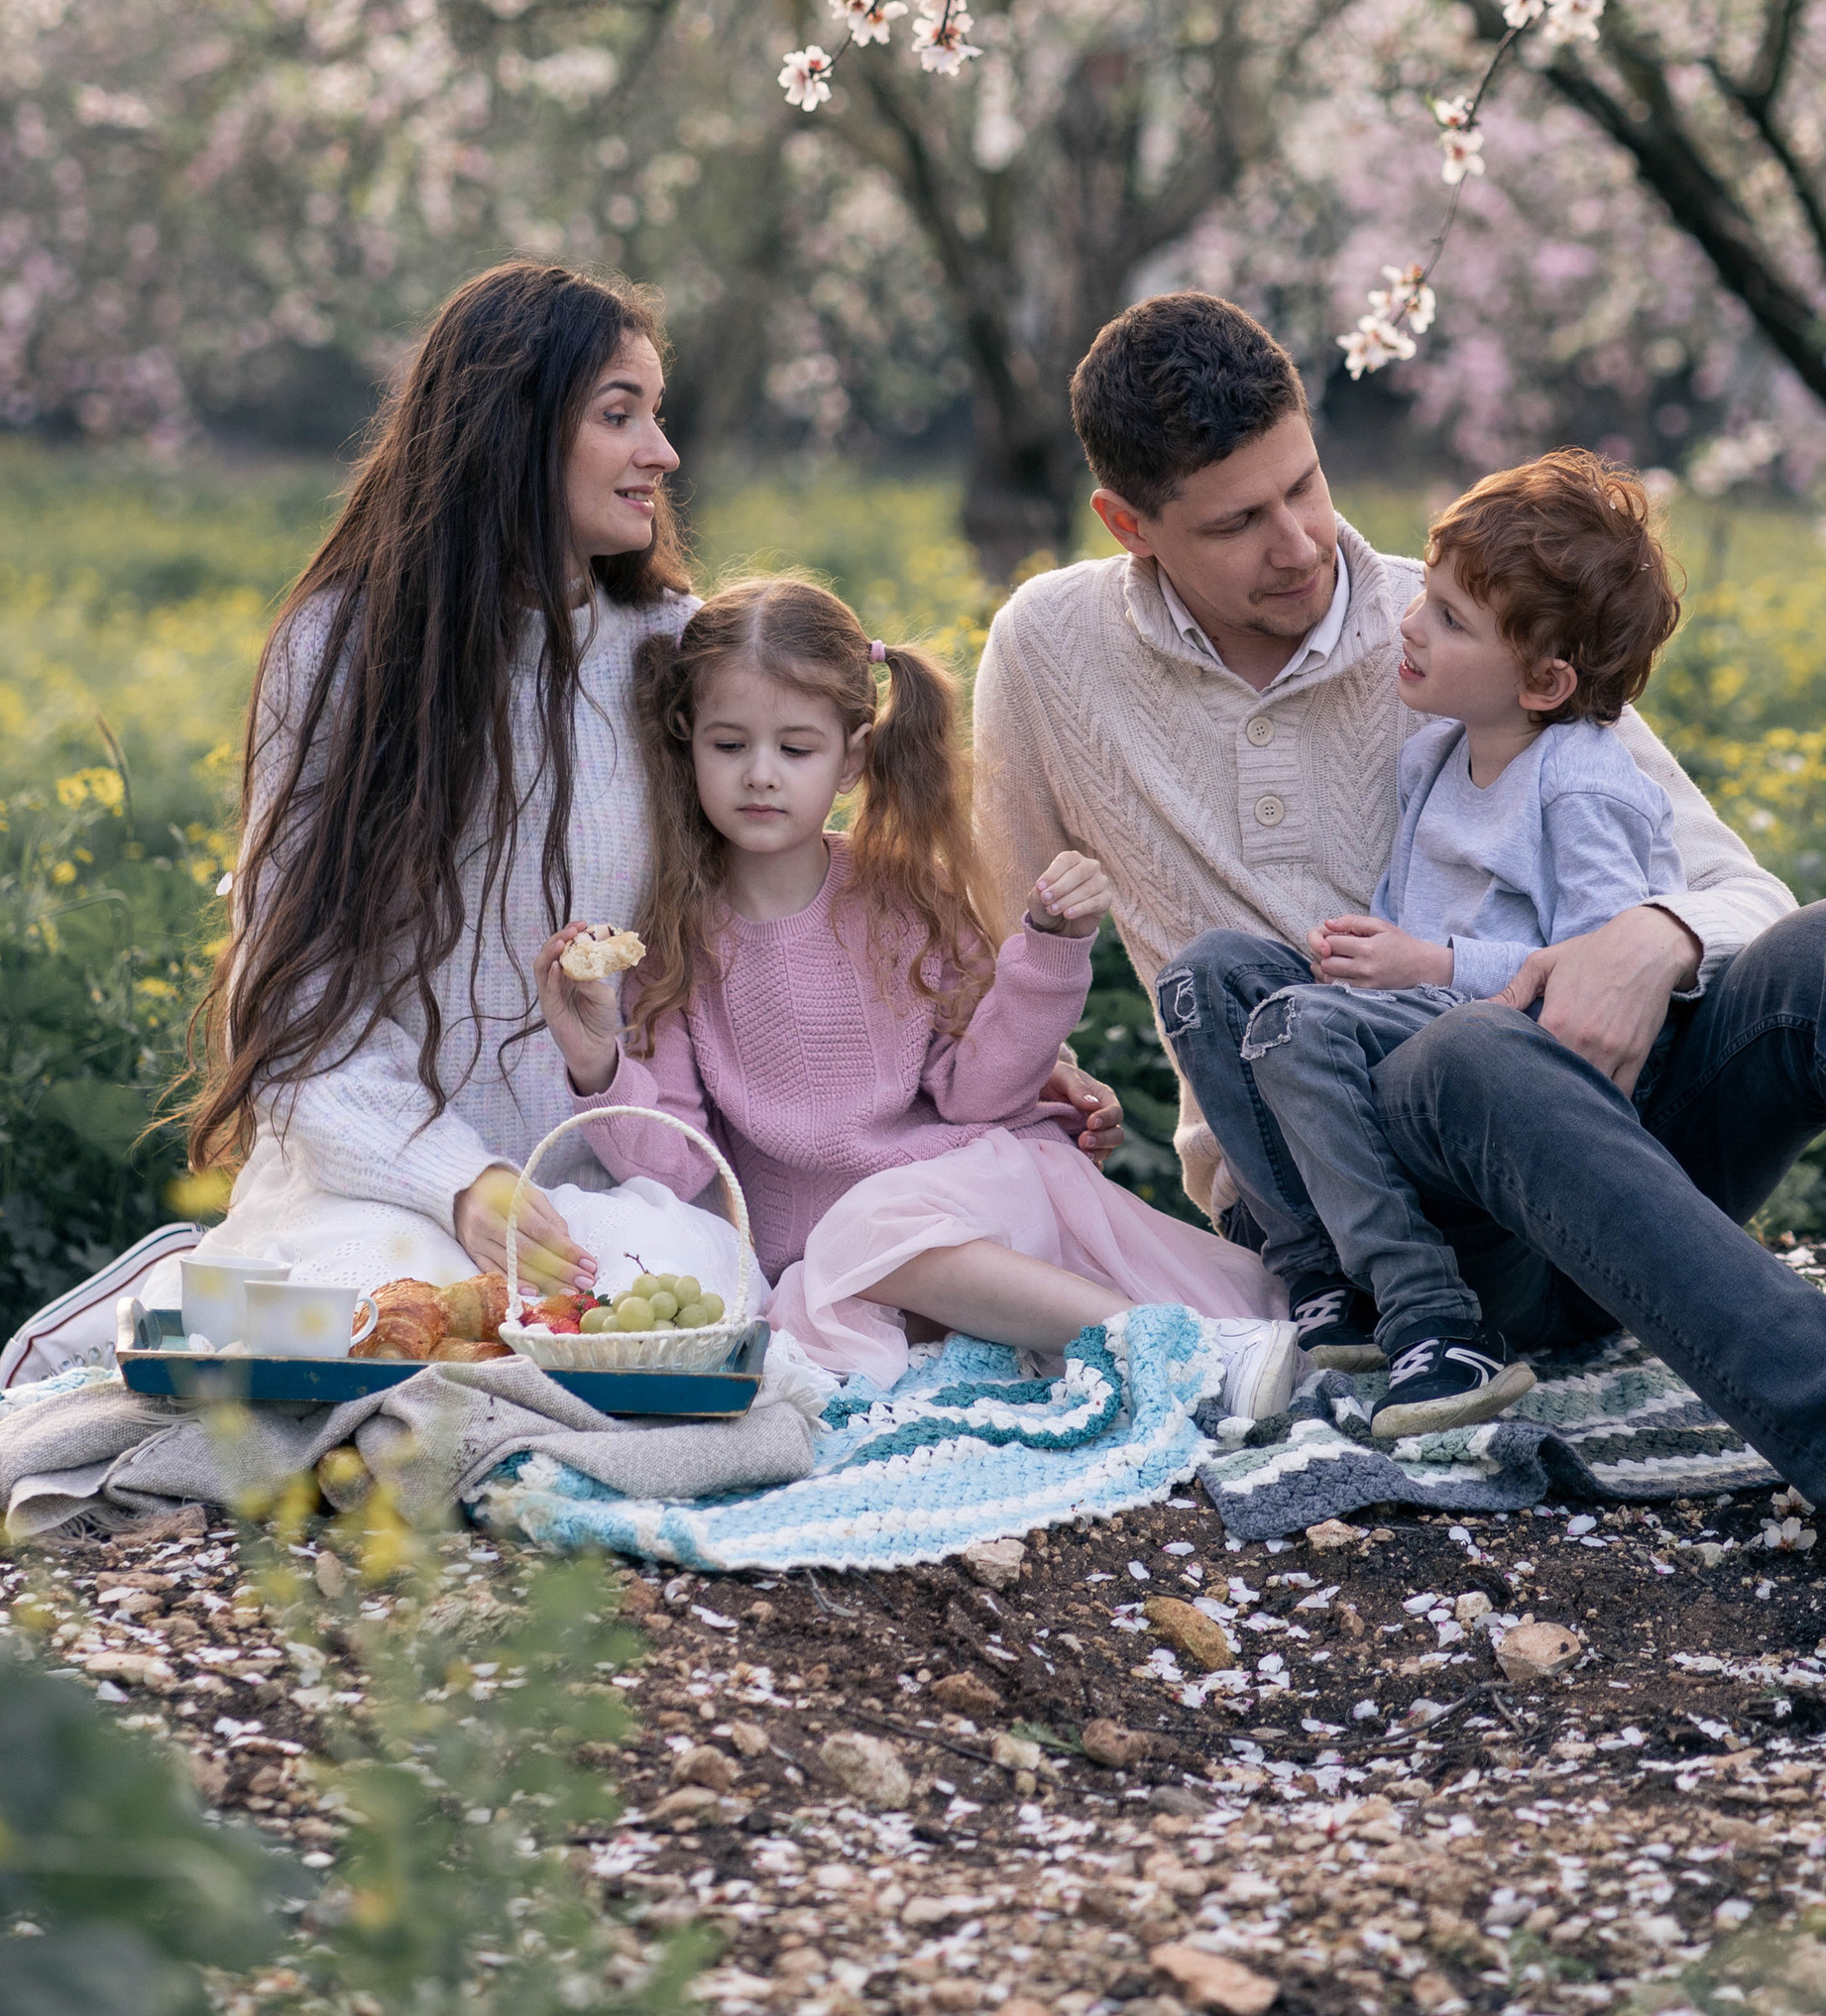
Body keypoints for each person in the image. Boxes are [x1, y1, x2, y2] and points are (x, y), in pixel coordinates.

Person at [974, 291, 1826, 1668]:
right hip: (1383, 1233)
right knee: (1463, 1054)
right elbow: (983, 930)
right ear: (1130, 528)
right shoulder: (1051, 652)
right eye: (1236, 524)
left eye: (1307, 486)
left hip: (1597, 1159)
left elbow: (1735, 892)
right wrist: (1030, 1086)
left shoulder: (1467, 623)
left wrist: (1653, 937)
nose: (1300, 544)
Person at [181, 261, 1124, 1320]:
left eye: (658, 415)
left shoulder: (665, 652)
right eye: (619, 414)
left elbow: (803, 910)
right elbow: (299, 1014)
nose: (662, 454)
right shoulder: (341, 651)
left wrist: (998, 1042)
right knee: (406, 1318)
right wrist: (457, 1181)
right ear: (515, 429)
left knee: (679, 1325)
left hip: (630, 1193)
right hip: (393, 1185)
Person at [536, 574, 1298, 1406]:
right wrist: (598, 1061)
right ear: (687, 742)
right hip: (839, 1265)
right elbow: (681, 1167)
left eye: (795, 749)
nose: (760, 775)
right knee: (855, 1255)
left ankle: (1181, 1348)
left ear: (853, 757)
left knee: (873, 1228)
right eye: (729, 746)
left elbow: (977, 1095)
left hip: (967, 1191)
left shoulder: (902, 896)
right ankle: (1161, 1347)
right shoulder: (673, 942)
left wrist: (1051, 950)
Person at [1180, 447, 1689, 1442]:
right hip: (1407, 1027)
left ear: (1543, 681)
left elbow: (1590, 976)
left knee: (1290, 1027)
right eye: (1429, 591)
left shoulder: (1580, 782)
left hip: (1492, 1059)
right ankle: (1319, 1273)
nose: (1410, 620)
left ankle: (1434, 1318)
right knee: (1208, 980)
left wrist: (1432, 966)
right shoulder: (1434, 758)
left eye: (1451, 618)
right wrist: (1374, 959)